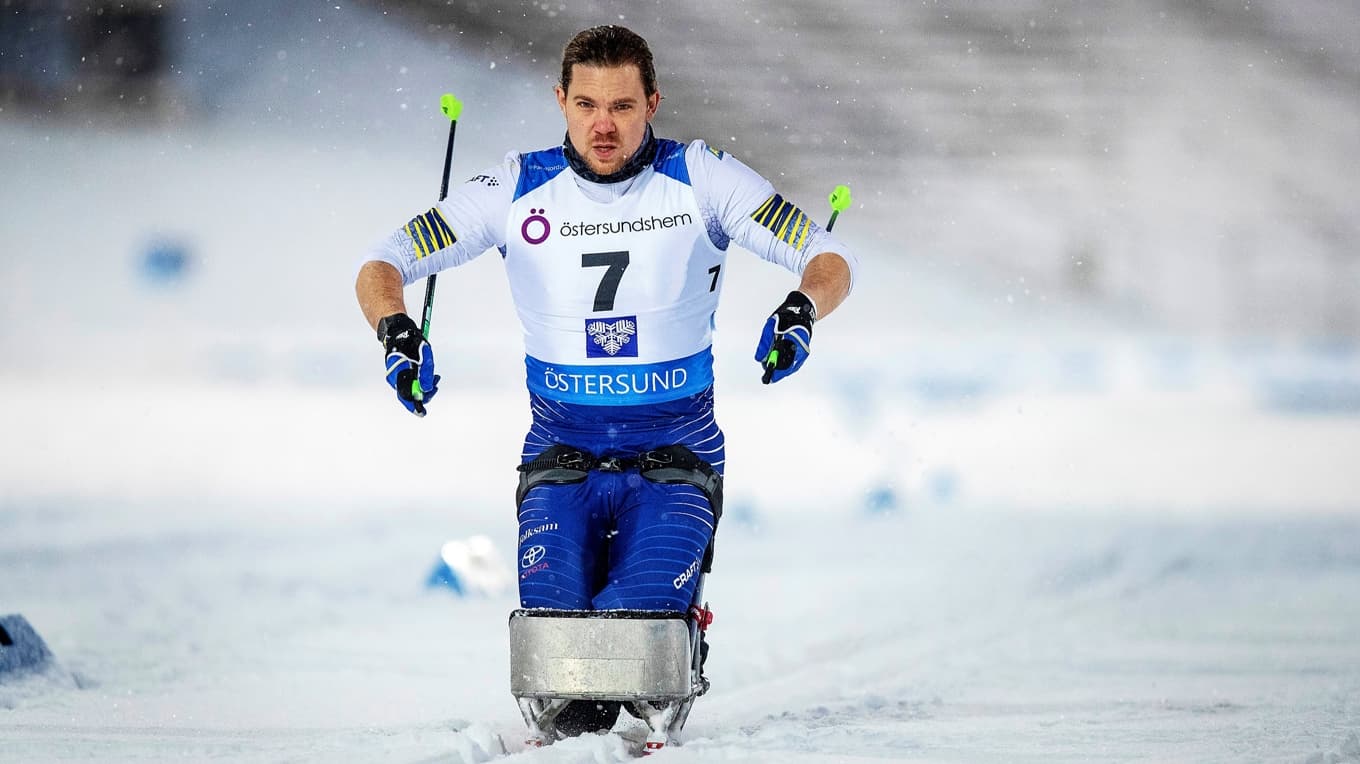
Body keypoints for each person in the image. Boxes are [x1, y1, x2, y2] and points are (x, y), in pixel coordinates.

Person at [355, 23, 856, 728]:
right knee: (560, 670)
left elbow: (827, 255)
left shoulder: (702, 175)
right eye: (587, 104)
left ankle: (675, 639)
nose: (603, 126)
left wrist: (801, 310)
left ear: (653, 101)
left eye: (622, 106)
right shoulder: (515, 186)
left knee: (634, 642)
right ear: (560, 100)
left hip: (675, 454)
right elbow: (385, 260)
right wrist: (396, 333)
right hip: (563, 453)